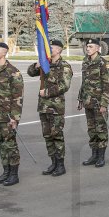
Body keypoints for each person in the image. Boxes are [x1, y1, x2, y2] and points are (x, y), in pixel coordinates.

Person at [27, 39, 73, 177]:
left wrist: (46, 92)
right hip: (43, 107)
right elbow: (30, 72)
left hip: (55, 107)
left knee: (56, 135)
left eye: (51, 48)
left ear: (59, 50)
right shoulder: (45, 63)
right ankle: (53, 162)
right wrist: (37, 65)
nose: (49, 50)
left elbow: (64, 86)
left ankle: (60, 165)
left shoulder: (64, 66)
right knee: (47, 136)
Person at [0, 42, 24, 186]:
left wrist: (15, 118)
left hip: (8, 117)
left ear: (4, 53)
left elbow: (18, 98)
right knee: (1, 144)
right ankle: (6, 172)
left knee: (10, 145)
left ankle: (14, 174)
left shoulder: (13, 72)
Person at [77, 38, 109, 167]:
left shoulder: (104, 63)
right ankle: (94, 155)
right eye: (87, 46)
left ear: (97, 48)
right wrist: (80, 99)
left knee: (101, 130)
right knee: (91, 130)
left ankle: (101, 157)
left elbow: (107, 85)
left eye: (91, 46)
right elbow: (84, 82)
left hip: (98, 103)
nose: (88, 49)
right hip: (88, 102)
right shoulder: (85, 61)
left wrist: (104, 104)